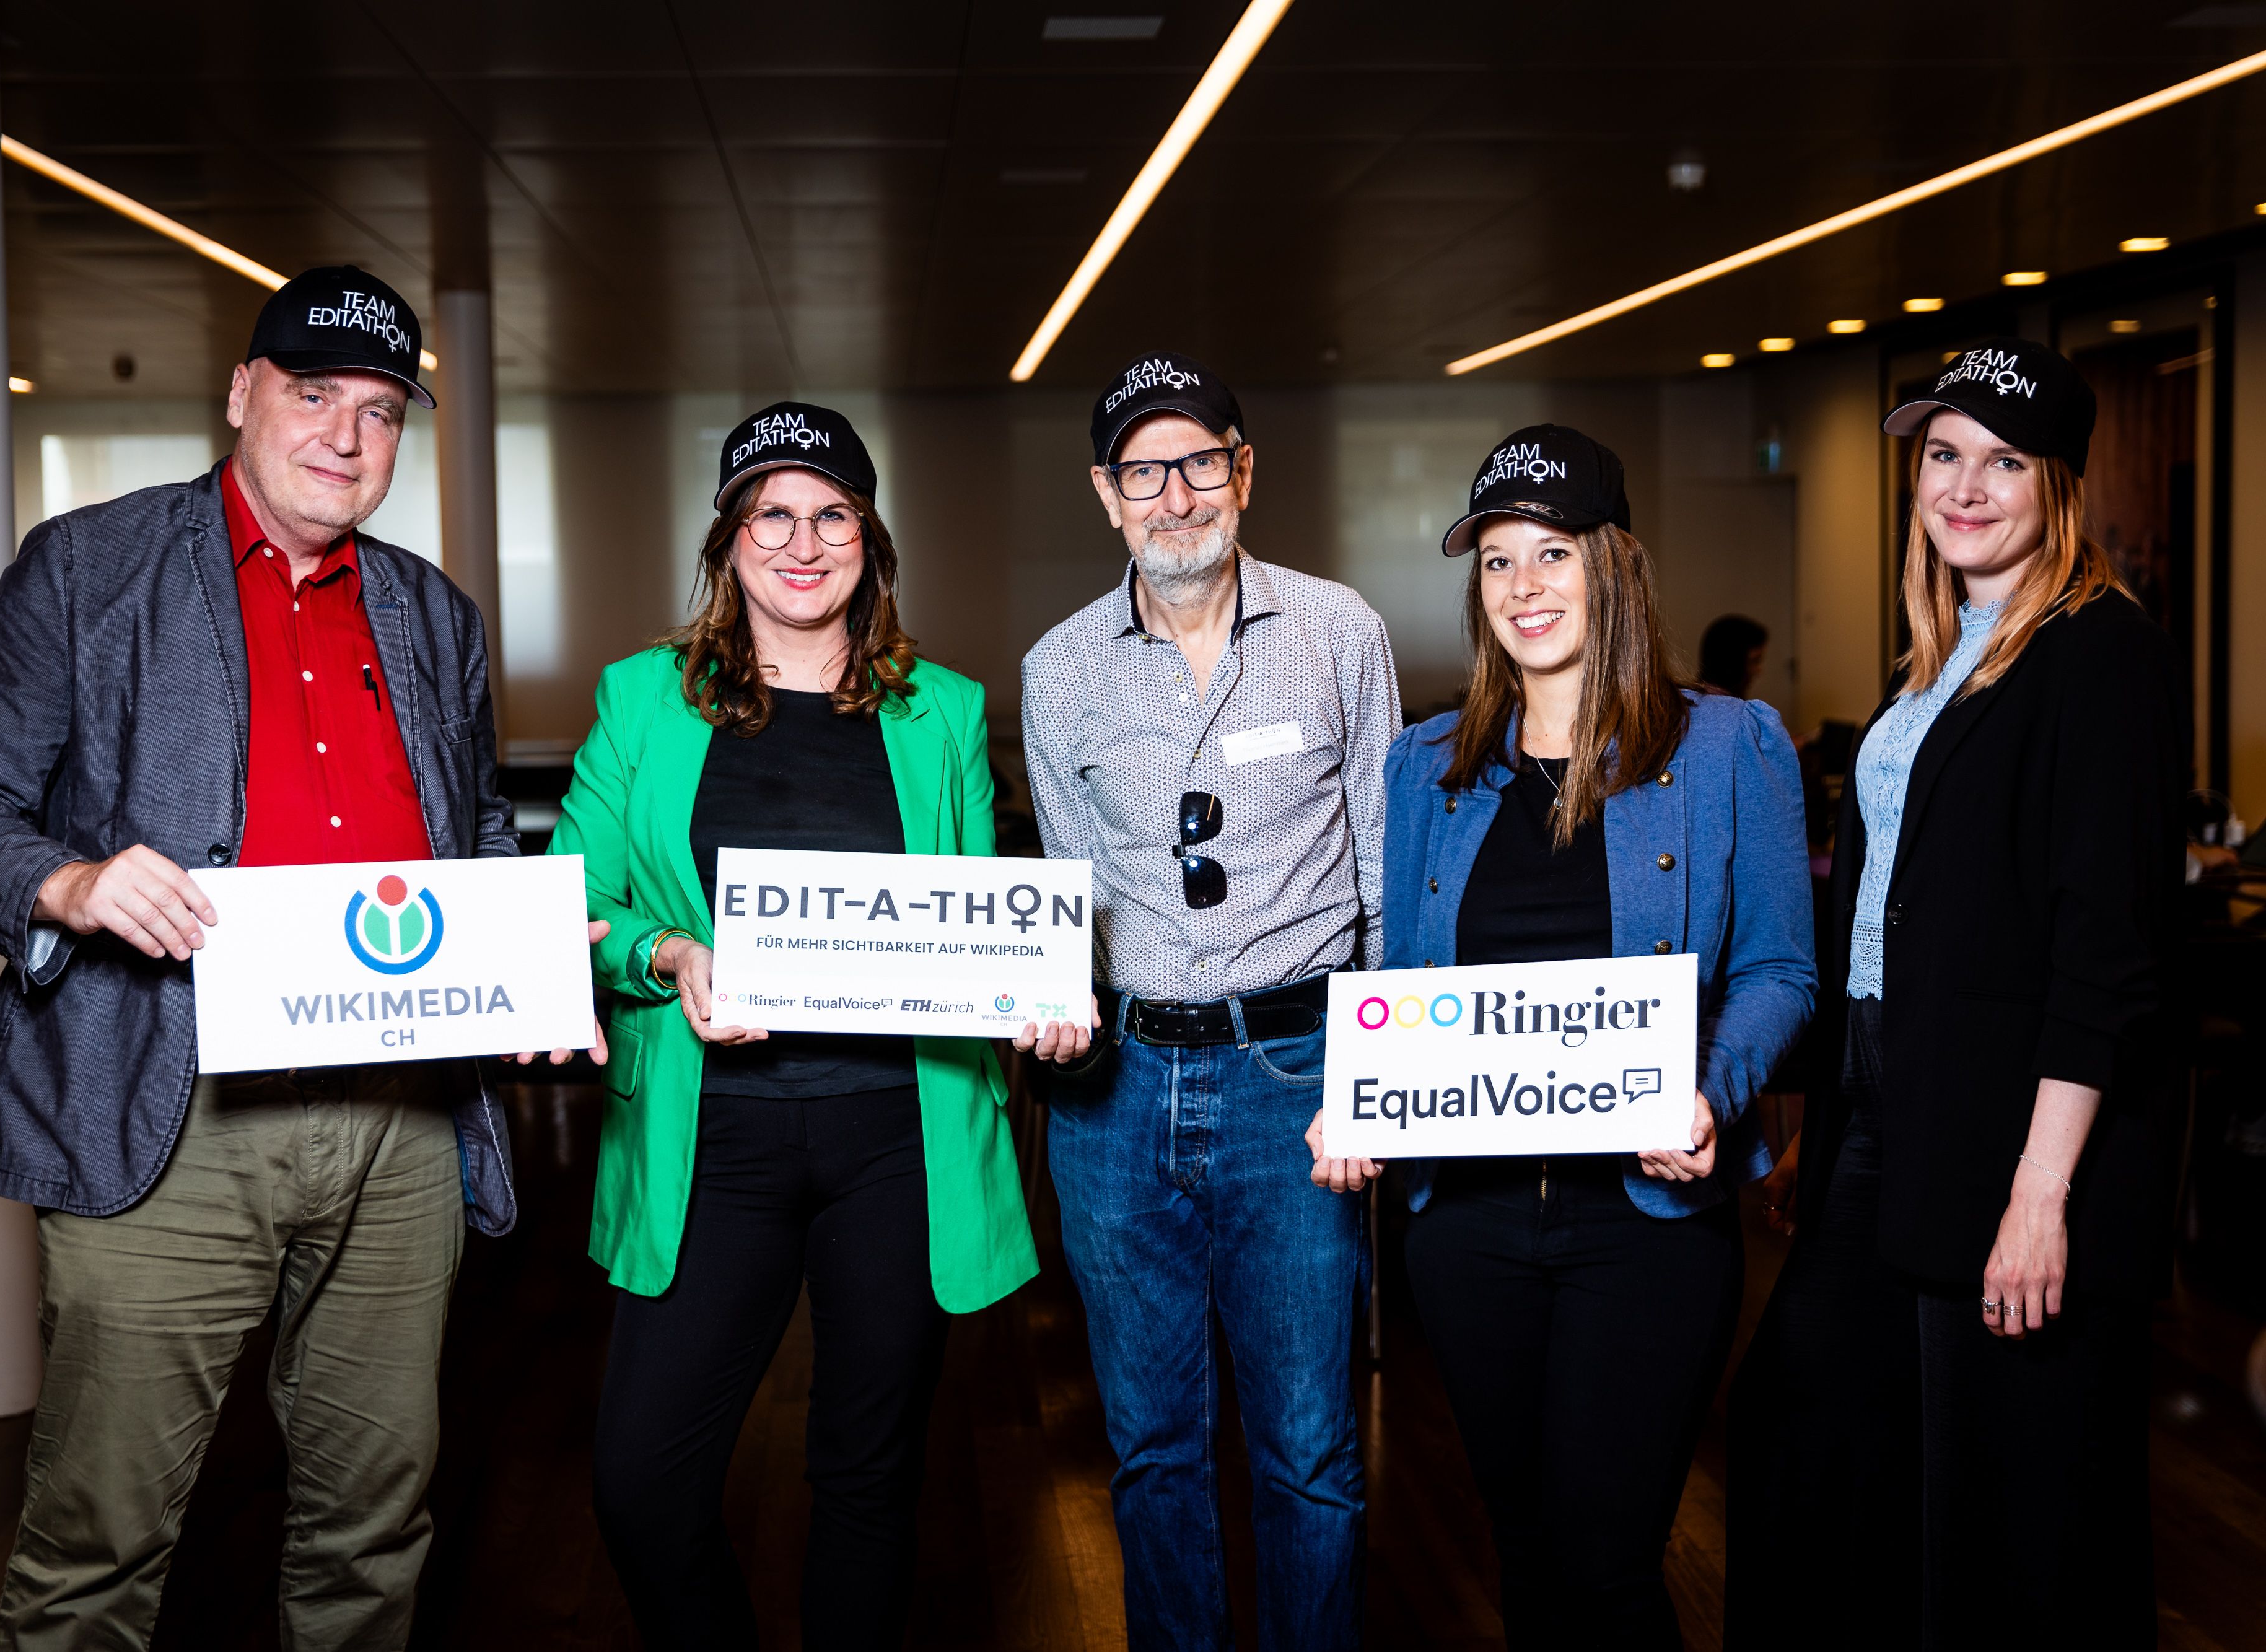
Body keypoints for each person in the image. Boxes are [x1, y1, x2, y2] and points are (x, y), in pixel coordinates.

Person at [0, 267, 590, 1649]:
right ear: (241, 394)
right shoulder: (88, 567)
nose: (345, 434)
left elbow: (466, 835)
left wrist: (524, 956)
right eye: (312, 393)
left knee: (373, 1528)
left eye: (380, 411)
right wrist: (69, 881)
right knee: (97, 1542)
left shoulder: (434, 613)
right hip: (172, 1113)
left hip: (398, 1120)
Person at [1309, 424, 1814, 1649]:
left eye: (1551, 553)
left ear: (1612, 564)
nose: (1522, 586)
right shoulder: (1424, 765)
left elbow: (1780, 970)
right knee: (1526, 1555)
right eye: (1496, 560)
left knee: (1606, 1565)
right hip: (1467, 1227)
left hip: (1644, 1224)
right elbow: (1397, 979)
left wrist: (1710, 1088)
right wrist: (1356, 1095)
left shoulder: (1726, 745)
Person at [1726, 339, 2184, 1649]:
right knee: (1817, 1431)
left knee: (2002, 1508)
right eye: (1941, 454)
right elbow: (1893, 917)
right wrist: (1827, 1121)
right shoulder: (1936, 654)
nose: (1964, 487)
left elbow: (2104, 951)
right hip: (1890, 1112)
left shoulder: (2100, 652)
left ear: (2057, 483)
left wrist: (2039, 1196)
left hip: (2013, 1137)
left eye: (2003, 461)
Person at [556, 402, 1037, 1650]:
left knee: (869, 1479)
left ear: (871, 542)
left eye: (833, 515)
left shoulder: (942, 710)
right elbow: (571, 906)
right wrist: (669, 952)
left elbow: (983, 912)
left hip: (898, 1136)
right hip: (709, 1137)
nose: (803, 542)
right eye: (771, 513)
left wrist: (1037, 989)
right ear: (729, 538)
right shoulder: (642, 698)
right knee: (643, 1484)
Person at [1019, 351, 1401, 1650]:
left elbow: (1385, 875)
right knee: (1151, 1448)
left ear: (1243, 472)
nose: (1173, 496)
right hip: (1116, 1099)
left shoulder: (1340, 632)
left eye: (1197, 463)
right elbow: (1068, 895)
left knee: (1308, 1448)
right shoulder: (1059, 668)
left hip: (1296, 1081)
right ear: (1105, 493)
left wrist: (1374, 1083)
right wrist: (1048, 993)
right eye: (1143, 472)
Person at [1699, 612, 1769, 698]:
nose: (1759, 670)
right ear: (1733, 661)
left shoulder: (1696, 698)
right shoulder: (1717, 702)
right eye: (1755, 661)